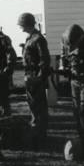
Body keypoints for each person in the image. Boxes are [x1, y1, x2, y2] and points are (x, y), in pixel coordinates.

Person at [18, 12, 50, 146]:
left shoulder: (38, 39)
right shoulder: (30, 38)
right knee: (33, 105)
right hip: (30, 76)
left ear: (27, 24)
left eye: (21, 24)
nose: (20, 27)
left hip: (36, 77)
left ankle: (40, 134)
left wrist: (39, 78)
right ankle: (36, 131)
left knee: (39, 107)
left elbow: (44, 60)